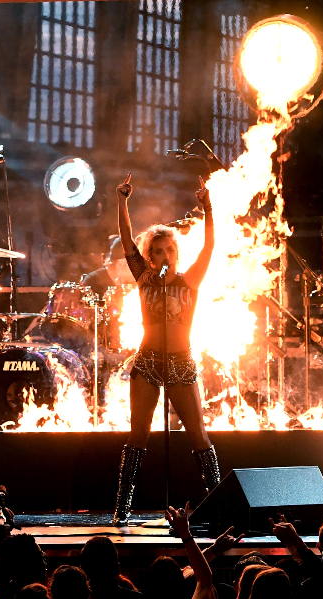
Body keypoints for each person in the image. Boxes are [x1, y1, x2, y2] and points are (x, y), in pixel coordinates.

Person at [111, 174, 219, 524]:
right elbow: (127, 242)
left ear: (176, 253)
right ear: (150, 256)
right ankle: (122, 508)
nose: (163, 255)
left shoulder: (190, 280)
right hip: (147, 362)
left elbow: (209, 247)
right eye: (156, 251)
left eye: (168, 250)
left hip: (182, 363)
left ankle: (218, 502)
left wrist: (208, 207)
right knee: (138, 434)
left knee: (198, 434)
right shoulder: (142, 277)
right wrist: (122, 201)